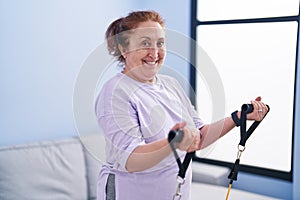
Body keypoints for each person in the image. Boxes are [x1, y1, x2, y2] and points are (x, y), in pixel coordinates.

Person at [94, 10, 268, 200]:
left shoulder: (171, 85)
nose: (154, 53)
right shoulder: (115, 92)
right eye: (145, 43)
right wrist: (173, 143)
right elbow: (131, 160)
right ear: (123, 49)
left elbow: (198, 138)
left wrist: (238, 118)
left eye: (160, 43)